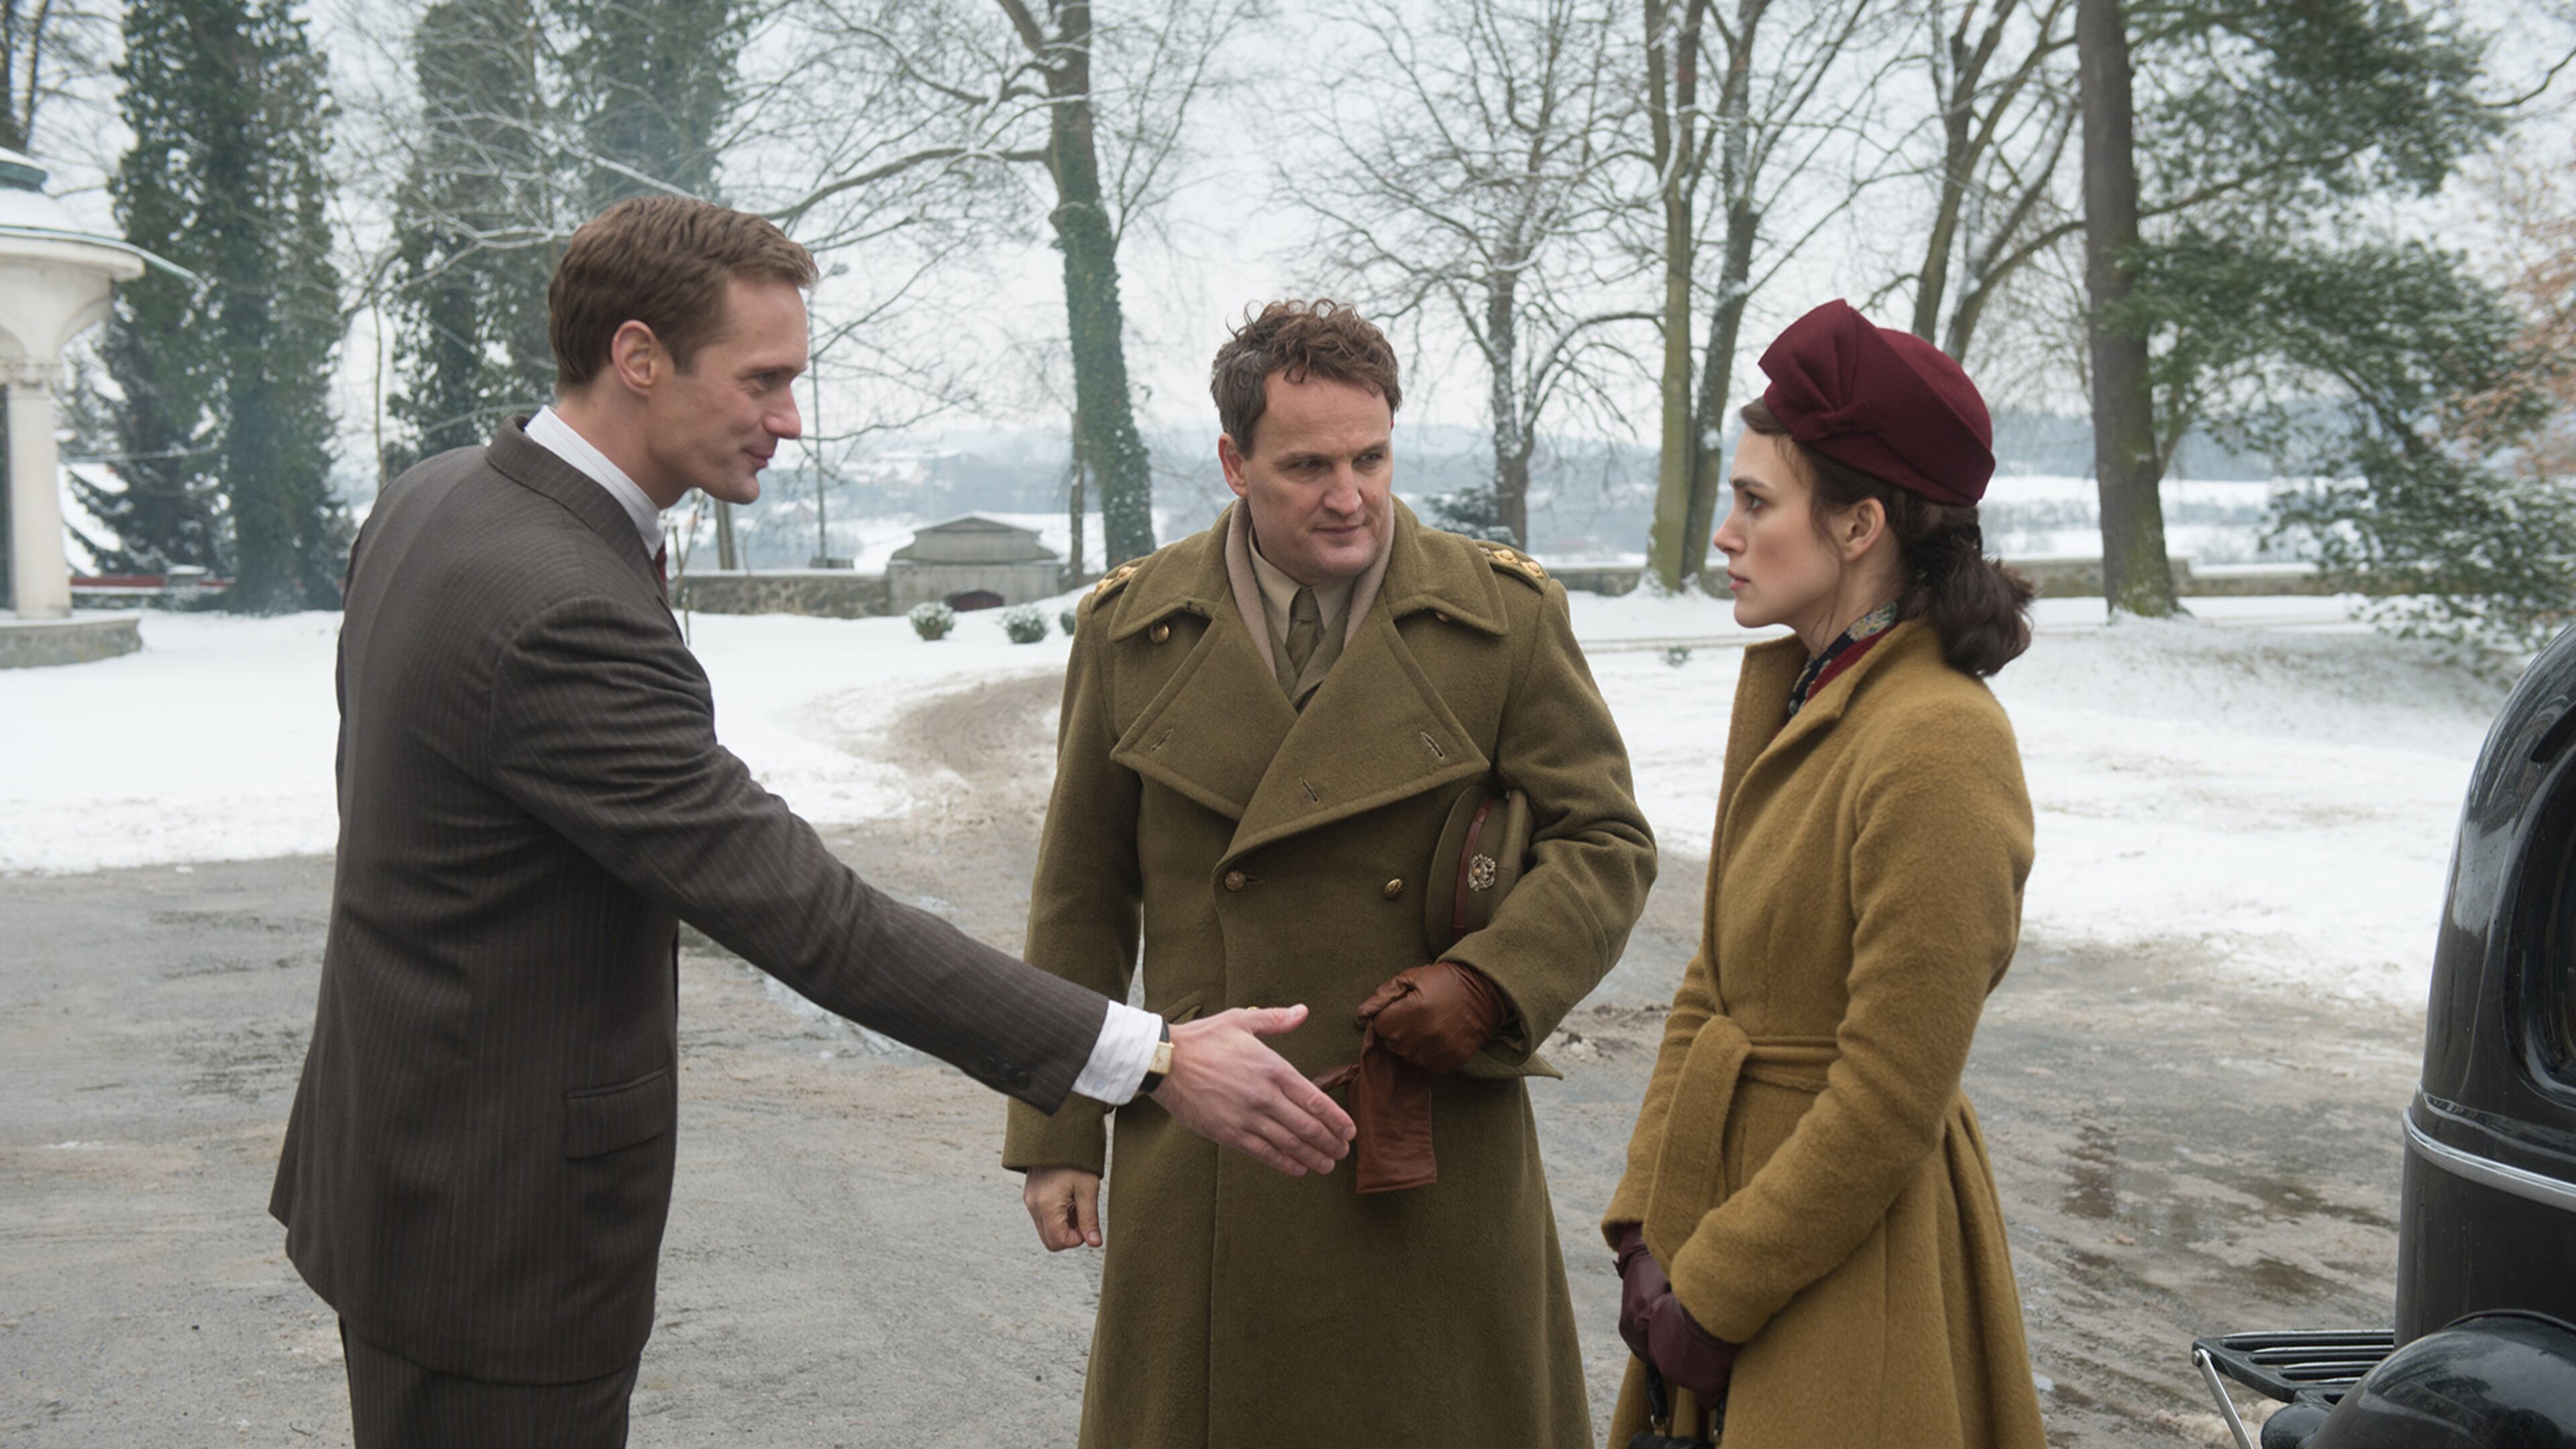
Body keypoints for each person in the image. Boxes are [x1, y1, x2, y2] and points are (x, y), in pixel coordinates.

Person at [267, 197, 1353, 1449]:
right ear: (638, 357)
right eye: (766, 379)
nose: (792, 419)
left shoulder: (442, 498)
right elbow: (806, 915)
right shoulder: (556, 604)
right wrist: (1149, 1057)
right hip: (496, 1232)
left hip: (396, 1170)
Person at [1002, 299, 1658, 1448]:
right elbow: (1082, 897)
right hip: (1209, 1138)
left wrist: (1492, 983)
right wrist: (1060, 1133)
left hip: (1426, 1138)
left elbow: (1604, 842)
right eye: (1306, 465)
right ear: (1234, 462)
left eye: (1371, 458)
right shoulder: (1132, 629)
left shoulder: (1500, 619)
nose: (1348, 496)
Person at [1601, 299, 2049, 1448]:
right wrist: (1648, 1228)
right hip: (1719, 1232)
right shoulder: (1806, 695)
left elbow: (1893, 1091)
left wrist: (1720, 1285)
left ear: (1860, 527)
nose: (1725, 535)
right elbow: (1714, 983)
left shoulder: (1938, 741)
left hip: (1845, 1272)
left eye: (1756, 503)